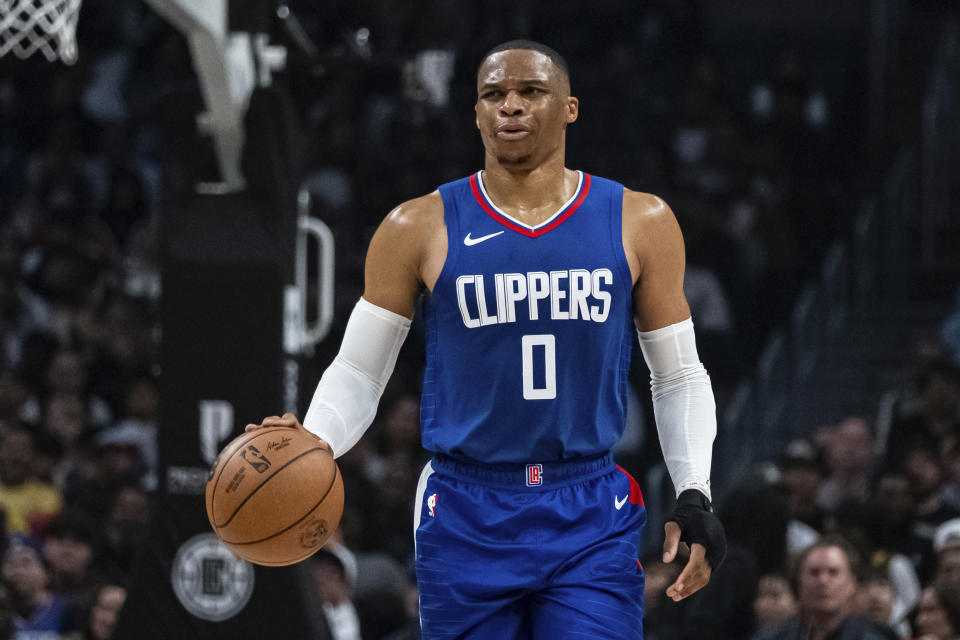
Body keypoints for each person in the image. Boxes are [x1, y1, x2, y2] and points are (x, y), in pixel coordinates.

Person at [248, 39, 726, 638]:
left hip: (588, 505)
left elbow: (678, 374)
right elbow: (360, 371)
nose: (511, 107)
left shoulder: (639, 219)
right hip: (465, 504)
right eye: (494, 95)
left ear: (570, 108)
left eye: (531, 92)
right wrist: (315, 440)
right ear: (476, 113)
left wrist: (695, 492)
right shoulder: (416, 225)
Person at [757, 537, 898, 640]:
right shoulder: (777, 636)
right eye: (814, 572)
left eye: (833, 572)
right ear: (798, 583)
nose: (823, 581)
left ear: (852, 584)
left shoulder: (874, 637)